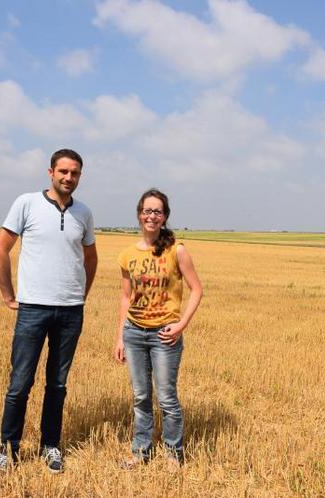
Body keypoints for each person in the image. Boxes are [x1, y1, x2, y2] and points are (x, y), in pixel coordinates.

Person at [0, 149, 98, 476]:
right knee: (20, 384)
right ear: (50, 172)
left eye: (75, 173)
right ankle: (7, 451)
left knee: (58, 385)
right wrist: (9, 295)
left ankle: (51, 446)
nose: (68, 178)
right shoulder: (27, 203)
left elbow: (91, 259)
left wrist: (81, 294)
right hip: (33, 308)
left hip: (70, 312)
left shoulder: (85, 213)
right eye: (63, 171)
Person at [114, 188, 202, 470]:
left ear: (164, 217)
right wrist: (120, 336)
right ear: (140, 214)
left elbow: (197, 290)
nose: (152, 216)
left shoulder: (177, 250)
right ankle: (141, 452)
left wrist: (181, 324)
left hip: (165, 334)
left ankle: (173, 454)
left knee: (166, 397)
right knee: (140, 397)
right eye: (147, 210)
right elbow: (126, 297)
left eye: (158, 211)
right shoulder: (127, 254)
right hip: (134, 333)